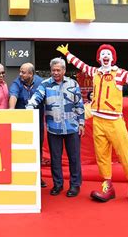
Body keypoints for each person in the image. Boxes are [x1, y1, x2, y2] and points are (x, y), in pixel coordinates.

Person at [57, 43, 128, 206]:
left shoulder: (119, 74)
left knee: (125, 153)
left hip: (114, 121)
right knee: (102, 156)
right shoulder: (95, 72)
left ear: (112, 58)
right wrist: (67, 54)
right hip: (98, 121)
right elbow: (80, 65)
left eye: (108, 54)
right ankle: (108, 187)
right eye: (103, 54)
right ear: (99, 58)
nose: (105, 56)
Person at [26, 58, 85, 198]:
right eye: (53, 70)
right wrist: (29, 107)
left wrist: (82, 123)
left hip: (72, 127)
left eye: (58, 70)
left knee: (74, 158)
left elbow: (79, 104)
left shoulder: (73, 83)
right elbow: (37, 97)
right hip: (54, 128)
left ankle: (75, 185)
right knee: (55, 158)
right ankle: (58, 184)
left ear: (64, 70)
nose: (56, 73)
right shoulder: (45, 84)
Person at [8, 62, 47, 187]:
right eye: (20, 71)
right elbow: (13, 95)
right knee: (20, 150)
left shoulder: (41, 83)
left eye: (23, 72)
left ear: (31, 74)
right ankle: (20, 177)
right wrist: (11, 110)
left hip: (37, 123)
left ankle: (37, 177)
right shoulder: (17, 82)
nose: (20, 74)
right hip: (21, 124)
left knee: (37, 150)